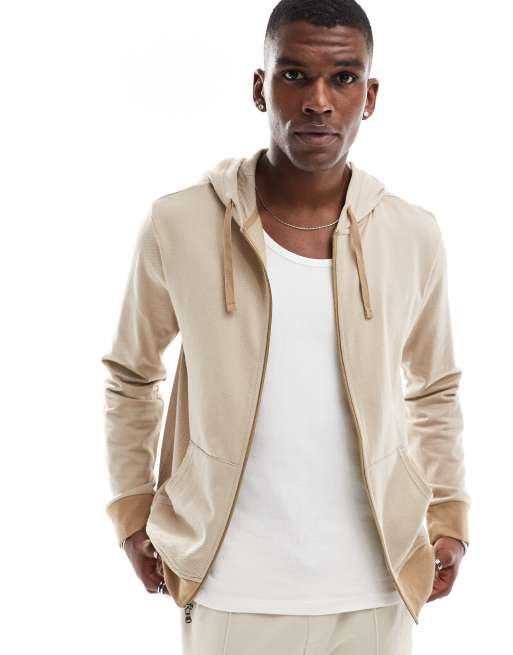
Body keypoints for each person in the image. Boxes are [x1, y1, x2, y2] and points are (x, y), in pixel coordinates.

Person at [101, 1, 471, 653]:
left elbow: (433, 387)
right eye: (294, 75)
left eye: (343, 78)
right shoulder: (178, 224)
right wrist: (134, 508)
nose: (318, 102)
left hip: (375, 590)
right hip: (228, 587)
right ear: (259, 87)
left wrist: (448, 513)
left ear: (370, 96)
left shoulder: (413, 235)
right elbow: (132, 375)